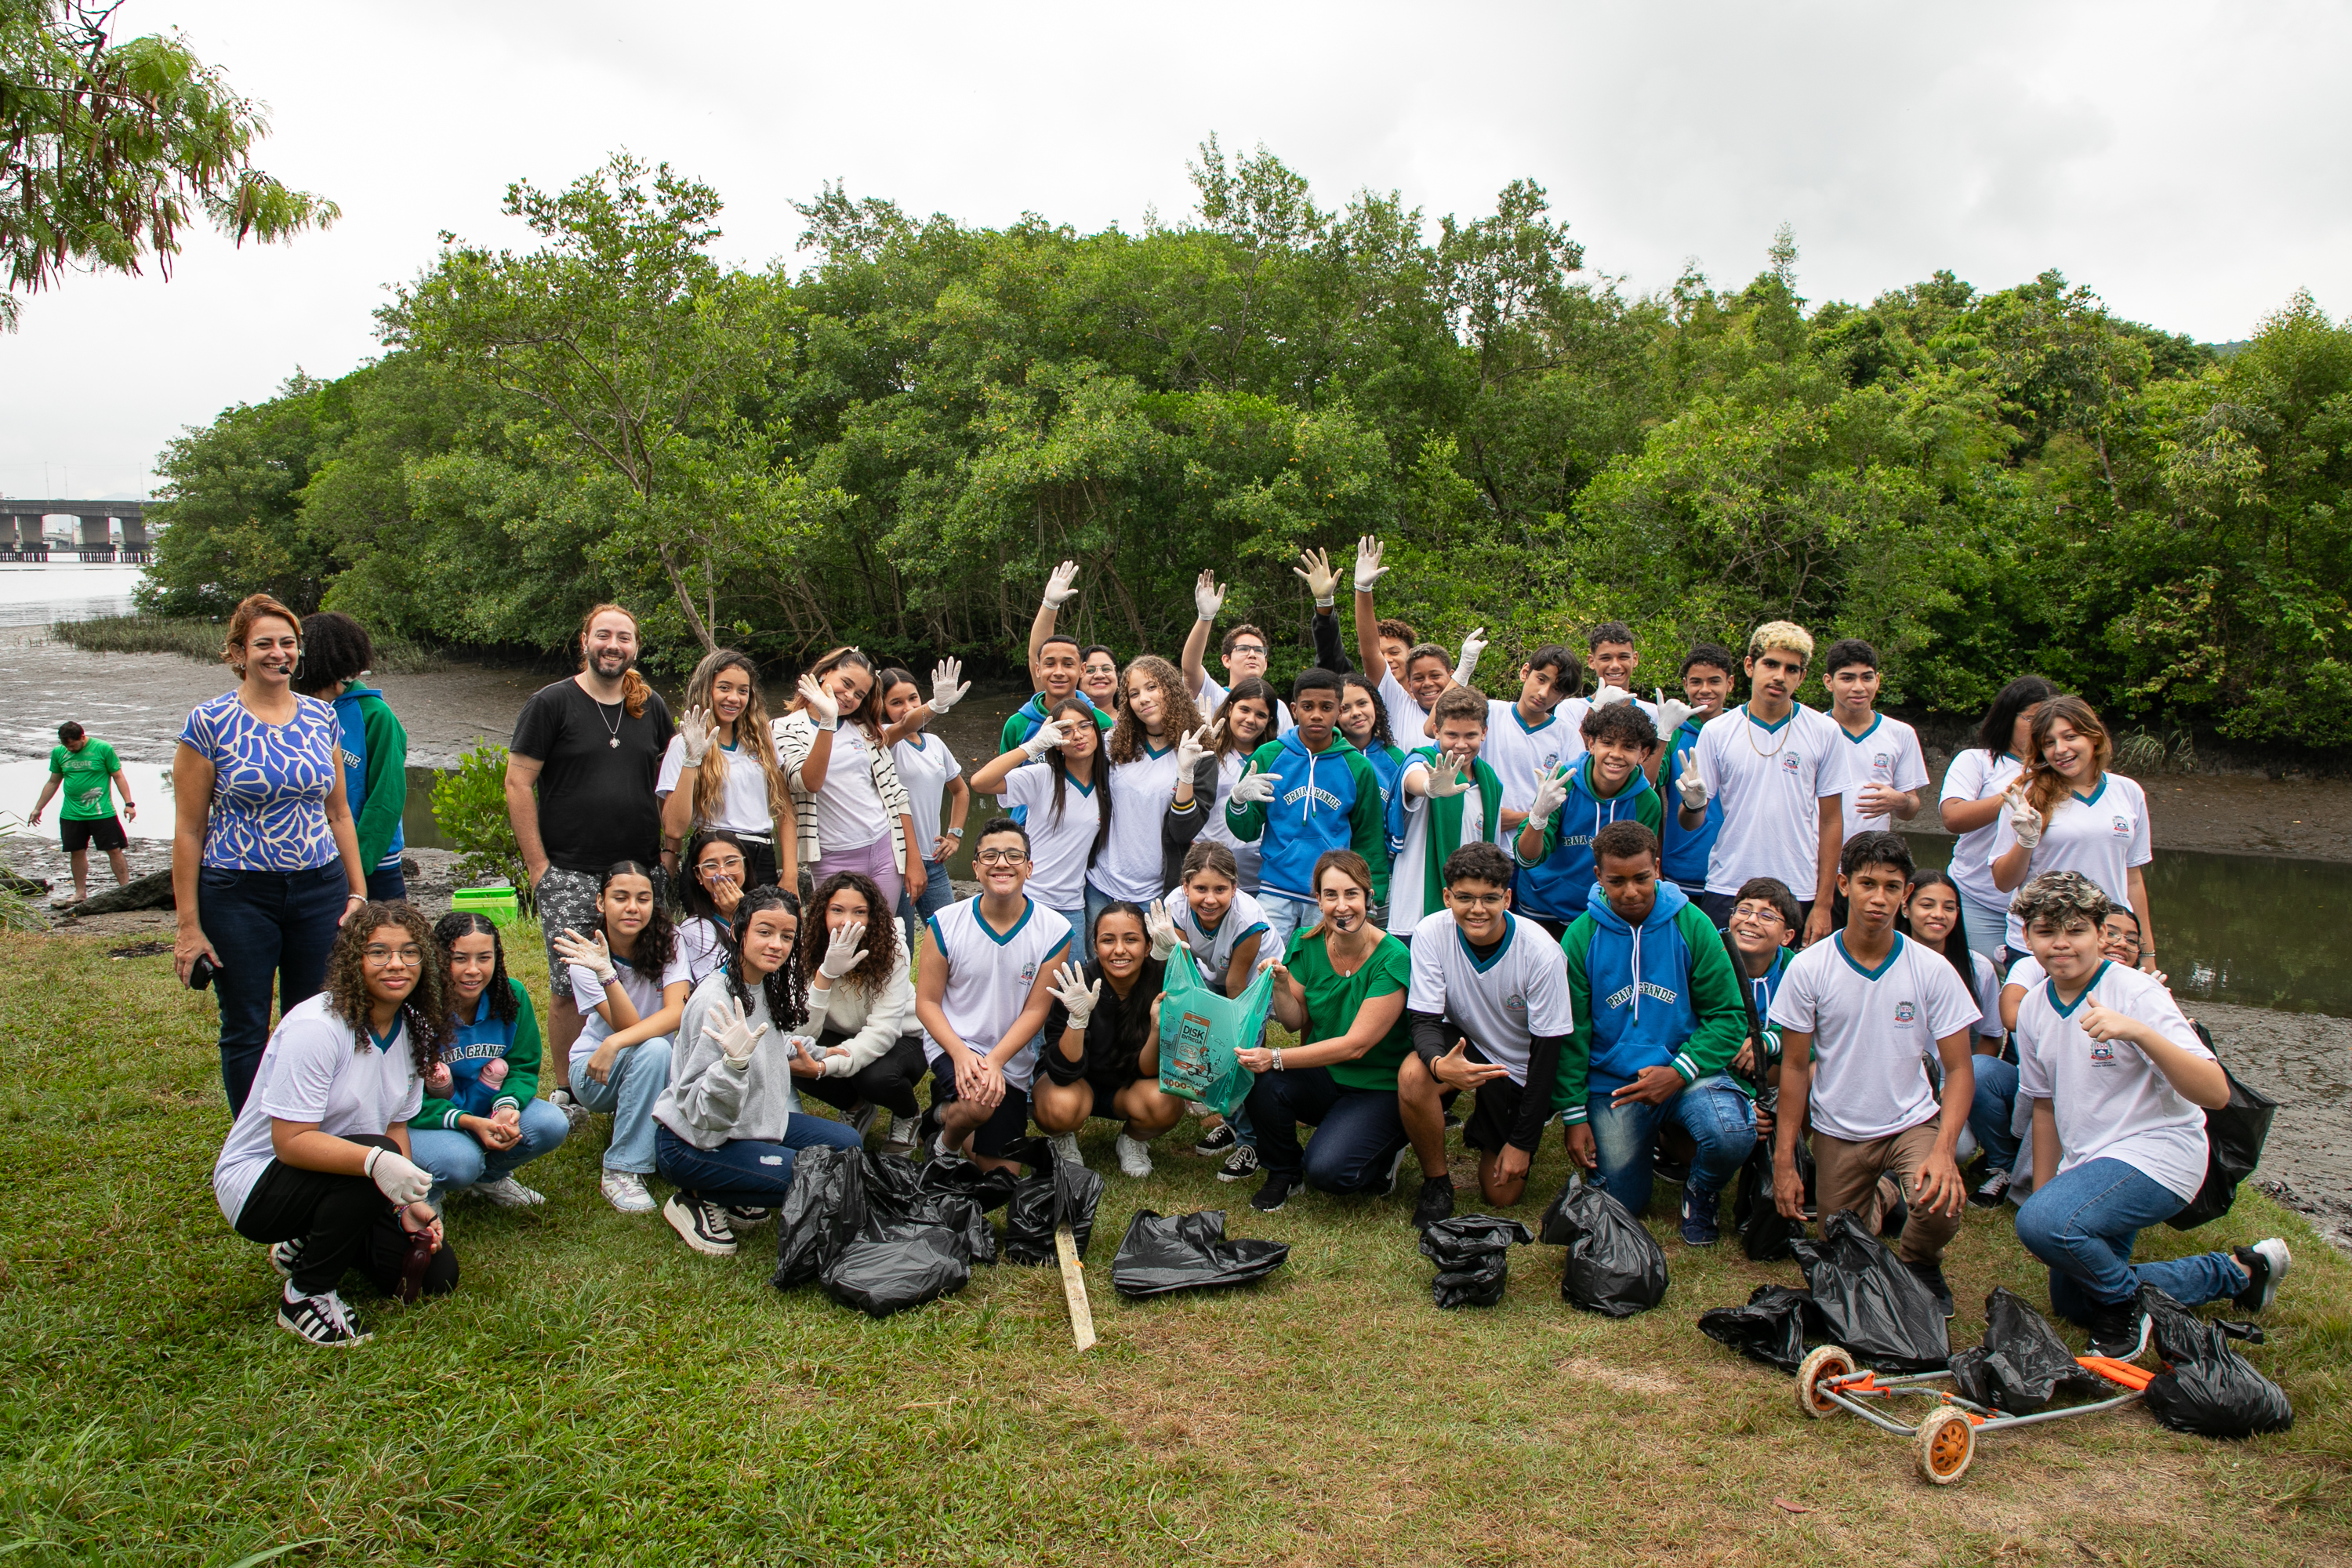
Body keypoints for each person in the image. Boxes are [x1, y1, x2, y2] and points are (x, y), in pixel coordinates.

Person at [2006, 870, 2291, 1355]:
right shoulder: (2033, 1008)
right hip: (2093, 1164)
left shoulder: (2137, 994)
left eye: (2075, 930)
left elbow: (2215, 1093)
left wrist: (2138, 1032)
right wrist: (2047, 1191)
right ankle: (2243, 1272)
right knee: (2073, 1301)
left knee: (2046, 1227)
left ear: (2100, 933)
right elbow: (2045, 1106)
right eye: (2046, 931)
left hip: (2161, 1155)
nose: (2061, 945)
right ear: (2027, 936)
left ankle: (2125, 1308)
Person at [209, 902, 457, 1347]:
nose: (396, 964)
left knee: (436, 1276)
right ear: (353, 959)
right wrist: (379, 1163)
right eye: (378, 952)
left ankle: (306, 1241)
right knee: (372, 1154)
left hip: (347, 1173)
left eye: (410, 952)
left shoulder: (413, 1025)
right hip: (261, 1185)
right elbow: (289, 1143)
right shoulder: (317, 1027)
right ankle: (305, 1294)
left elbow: (397, 1127)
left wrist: (405, 1206)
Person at [1766, 832, 1982, 1314]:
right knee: (1841, 1256)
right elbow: (1795, 1067)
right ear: (1843, 886)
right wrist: (1785, 1160)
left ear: (1906, 895)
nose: (1878, 898)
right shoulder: (1808, 968)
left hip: (1912, 1121)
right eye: (1867, 884)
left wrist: (1946, 1149)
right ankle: (1882, 1197)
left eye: (1891, 886)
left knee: (1940, 1201)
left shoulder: (1931, 968)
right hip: (1837, 1129)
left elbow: (1960, 1068)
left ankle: (1920, 1262)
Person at [174, 593, 372, 1115]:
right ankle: (253, 1146)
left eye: (288, 643)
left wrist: (357, 891)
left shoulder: (319, 717)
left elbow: (340, 813)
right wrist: (189, 925)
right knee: (246, 1025)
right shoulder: (209, 722)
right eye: (264, 644)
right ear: (238, 653)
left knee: (314, 1019)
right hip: (238, 893)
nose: (278, 653)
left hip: (318, 887)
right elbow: (190, 829)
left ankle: (305, 1129)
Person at [506, 603, 674, 1119]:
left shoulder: (651, 707)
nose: (614, 645)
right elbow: (518, 783)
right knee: (567, 984)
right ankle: (569, 1089)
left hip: (642, 871)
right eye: (604, 635)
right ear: (584, 641)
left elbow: (671, 786)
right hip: (572, 871)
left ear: (636, 648)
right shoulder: (551, 704)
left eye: (625, 637)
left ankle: (644, 1069)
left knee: (649, 972)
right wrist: (539, 868)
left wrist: (667, 855)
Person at [1554, 823, 1752, 1241]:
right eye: (1617, 881)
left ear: (1657, 868)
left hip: (1687, 1075)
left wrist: (1678, 1072)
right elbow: (1571, 1035)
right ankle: (1651, 1142)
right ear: (1598, 876)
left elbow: (1729, 1016)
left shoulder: (1692, 924)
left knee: (1731, 1133)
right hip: (1617, 1086)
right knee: (1623, 1205)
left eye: (1641, 878)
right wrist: (1574, 1115)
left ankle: (1701, 1193)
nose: (1630, 891)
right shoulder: (1580, 936)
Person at [652, 884, 868, 1256]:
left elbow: (773, 1040)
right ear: (738, 932)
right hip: (695, 1142)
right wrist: (733, 1067)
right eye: (764, 932)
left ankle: (741, 1186)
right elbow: (704, 1113)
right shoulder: (714, 1003)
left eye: (787, 936)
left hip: (749, 1127)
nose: (776, 945)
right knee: (808, 1178)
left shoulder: (764, 984)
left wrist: (820, 1050)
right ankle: (697, 1198)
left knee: (848, 1147)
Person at [1396, 843, 1576, 1227]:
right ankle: (1436, 1181)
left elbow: (1547, 1056)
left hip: (1516, 1066)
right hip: (1464, 1041)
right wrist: (1440, 1065)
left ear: (1508, 898)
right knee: (1413, 1074)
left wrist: (1523, 1144)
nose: (1477, 909)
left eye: (1490, 898)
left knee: (1501, 1196)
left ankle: (1490, 1123)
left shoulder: (1541, 952)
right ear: (1447, 897)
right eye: (1464, 898)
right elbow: (1425, 1020)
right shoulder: (1430, 932)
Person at [1242, 851, 1415, 1214]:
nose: (1342, 906)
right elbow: (1293, 1020)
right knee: (1262, 1080)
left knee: (1330, 1173)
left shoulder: (1393, 956)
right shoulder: (1307, 942)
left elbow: (1356, 1046)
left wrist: (1274, 1057)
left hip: (1377, 1085)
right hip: (1327, 1077)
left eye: (1351, 894)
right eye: (1331, 895)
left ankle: (1388, 1149)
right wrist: (1281, 986)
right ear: (1318, 899)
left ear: (1369, 897)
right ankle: (1284, 1172)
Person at [1677, 622, 1853, 942]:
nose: (1779, 676)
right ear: (1749, 666)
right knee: (1725, 985)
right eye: (1771, 664)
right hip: (1728, 884)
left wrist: (1825, 902)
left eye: (1791, 669)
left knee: (1791, 986)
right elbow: (1691, 823)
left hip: (1798, 886)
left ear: (1801, 677)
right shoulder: (1717, 732)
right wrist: (1693, 803)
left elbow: (1831, 820)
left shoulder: (1824, 731)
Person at [1976, 898, 2158, 1207]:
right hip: (2036, 1084)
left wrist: (2141, 1028)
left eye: (2131, 939)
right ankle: (2010, 1170)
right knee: (2004, 1079)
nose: (2120, 943)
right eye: (2113, 933)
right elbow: (2012, 1018)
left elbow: (2207, 1086)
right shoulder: (2041, 975)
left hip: (2120, 1115)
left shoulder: (2142, 990)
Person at [913, 818, 1070, 1173]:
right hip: (955, 1044)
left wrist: (996, 1061)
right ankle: (944, 1146)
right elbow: (926, 1003)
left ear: (1029, 867)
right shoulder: (945, 922)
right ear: (976, 867)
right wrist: (961, 1053)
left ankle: (943, 1112)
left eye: (1014, 855)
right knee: (979, 1105)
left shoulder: (1055, 930)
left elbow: (1035, 1012)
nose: (1002, 863)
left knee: (1002, 1176)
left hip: (1009, 1058)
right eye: (991, 856)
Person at [553, 861, 690, 1214]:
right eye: (621, 897)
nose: (633, 907)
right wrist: (607, 973)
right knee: (655, 1047)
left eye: (643, 898)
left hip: (629, 1055)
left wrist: (614, 1043)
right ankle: (621, 1169)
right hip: (595, 1071)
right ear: (601, 902)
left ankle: (641, 1121)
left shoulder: (670, 942)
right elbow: (626, 1027)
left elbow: (676, 1013)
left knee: (657, 1049)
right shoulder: (585, 956)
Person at [1224, 668, 1391, 955]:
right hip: (1276, 888)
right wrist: (1238, 801)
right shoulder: (1269, 756)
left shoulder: (1357, 767)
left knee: (1324, 974)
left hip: (1331, 894)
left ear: (1338, 710)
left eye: (1326, 708)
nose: (1316, 715)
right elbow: (1247, 829)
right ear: (1294, 709)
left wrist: (1370, 897)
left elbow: (1369, 839)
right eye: (1308, 707)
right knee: (1265, 971)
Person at [408, 912, 569, 1207]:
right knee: (459, 1164)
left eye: (484, 957)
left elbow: (522, 1065)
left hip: (487, 1108)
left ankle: (490, 1178)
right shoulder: (417, 1005)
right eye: (459, 958)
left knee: (551, 1123)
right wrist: (468, 1122)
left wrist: (506, 1108)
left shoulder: (511, 995)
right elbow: (407, 1095)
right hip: (429, 1119)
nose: (473, 970)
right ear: (438, 958)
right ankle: (423, 1195)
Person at [1991, 695, 2156, 971]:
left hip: (2107, 944)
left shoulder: (2128, 791)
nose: (2060, 750)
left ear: (2094, 737)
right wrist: (2026, 841)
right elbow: (2004, 882)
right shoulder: (2024, 795)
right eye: (2048, 743)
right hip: (2044, 944)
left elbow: (2134, 880)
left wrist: (2146, 953)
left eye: (2070, 737)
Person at [1036, 902, 1189, 1176]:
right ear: (1095, 946)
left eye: (1131, 939)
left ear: (1147, 945)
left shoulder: (1161, 980)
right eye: (1108, 940)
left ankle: (1132, 1139)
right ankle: (1063, 1138)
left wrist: (1157, 1026)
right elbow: (1062, 1073)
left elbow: (1149, 1070)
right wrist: (1077, 1021)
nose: (1119, 950)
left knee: (1165, 1102)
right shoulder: (1078, 984)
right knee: (1056, 1107)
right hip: (1077, 1085)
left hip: (1130, 1088)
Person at [775, 645, 921, 917]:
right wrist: (827, 723)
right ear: (825, 673)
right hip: (833, 856)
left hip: (884, 848)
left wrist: (913, 859)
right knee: (837, 939)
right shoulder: (785, 728)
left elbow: (896, 794)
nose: (850, 696)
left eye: (859, 694)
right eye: (846, 683)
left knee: (881, 933)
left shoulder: (864, 728)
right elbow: (807, 782)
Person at [793, 871, 927, 1155]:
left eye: (860, 912)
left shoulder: (894, 952)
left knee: (875, 1078)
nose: (848, 921)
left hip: (903, 1038)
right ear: (822, 913)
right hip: (841, 1034)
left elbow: (883, 1031)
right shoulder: (806, 950)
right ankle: (856, 1108)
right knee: (793, 1055)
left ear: (873, 917)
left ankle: (908, 1114)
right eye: (837, 910)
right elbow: (800, 1032)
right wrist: (826, 974)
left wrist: (823, 1067)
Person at [1511, 699, 1664, 937]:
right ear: (1591, 743)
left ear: (1643, 754)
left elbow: (1635, 870)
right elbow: (1526, 859)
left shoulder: (1646, 801)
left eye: (1629, 746)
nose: (1616, 754)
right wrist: (1537, 817)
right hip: (1541, 907)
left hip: (1603, 913)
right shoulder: (1564, 781)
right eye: (1607, 743)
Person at [1164, 840, 1271, 1182]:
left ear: (1235, 888)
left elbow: (1237, 986)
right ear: (1185, 887)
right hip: (1208, 974)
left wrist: (1230, 1037)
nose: (1210, 899)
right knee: (1207, 1052)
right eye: (1200, 888)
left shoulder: (1248, 920)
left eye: (1220, 889)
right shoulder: (1174, 907)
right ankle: (1231, 1123)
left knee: (1240, 1058)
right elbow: (1188, 976)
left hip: (1251, 982)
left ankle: (1253, 1142)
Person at [1087, 655, 1220, 926]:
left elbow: (1183, 832)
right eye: (1133, 694)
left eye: (1151, 687)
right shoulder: (1112, 744)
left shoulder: (1200, 752)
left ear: (1171, 690)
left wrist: (1185, 776)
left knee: (1153, 966)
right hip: (1101, 885)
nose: (1143, 699)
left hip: (1158, 895)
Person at [657, 648, 797, 895]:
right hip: (714, 856)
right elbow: (674, 829)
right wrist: (692, 760)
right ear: (706, 689)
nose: (734, 698)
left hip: (761, 856)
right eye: (724, 688)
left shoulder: (761, 741)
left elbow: (784, 810)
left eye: (742, 691)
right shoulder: (685, 743)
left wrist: (791, 874)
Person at [1938, 676, 2056, 966]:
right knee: (1973, 982)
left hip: (2038, 908)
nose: (2040, 728)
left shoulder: (2062, 771)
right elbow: (1953, 817)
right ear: (2007, 717)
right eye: (2032, 718)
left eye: (2048, 719)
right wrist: (2017, 794)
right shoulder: (1978, 761)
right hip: (1976, 898)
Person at [968, 695, 1108, 938]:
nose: (1078, 735)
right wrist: (1032, 747)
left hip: (1072, 905)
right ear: (1055, 741)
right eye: (1066, 730)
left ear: (1096, 730)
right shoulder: (1043, 776)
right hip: (1029, 900)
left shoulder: (1107, 782)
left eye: (1085, 725)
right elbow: (980, 782)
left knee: (1072, 974)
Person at [295, 611, 411, 901]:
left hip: (373, 865)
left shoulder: (376, 716)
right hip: (314, 862)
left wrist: (356, 866)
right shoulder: (292, 713)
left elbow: (387, 798)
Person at [1388, 687, 1511, 937]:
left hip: (1468, 915)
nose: (1461, 744)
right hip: (1414, 914)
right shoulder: (1423, 761)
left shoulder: (1490, 782)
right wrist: (1430, 787)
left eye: (1471, 735)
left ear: (1484, 733)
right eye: (1452, 734)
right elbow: (1413, 779)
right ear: (1436, 731)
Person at [1349, 535, 1484, 743]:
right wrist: (1363, 590)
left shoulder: (1473, 713)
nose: (1427, 684)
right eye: (1419, 678)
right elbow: (1370, 652)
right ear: (1410, 684)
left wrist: (1464, 671)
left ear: (1451, 675)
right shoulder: (1398, 705)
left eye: (1435, 675)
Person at [877, 663, 971, 927]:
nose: (907, 707)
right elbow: (906, 724)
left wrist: (955, 835)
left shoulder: (935, 745)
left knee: (950, 937)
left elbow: (961, 791)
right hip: (896, 862)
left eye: (913, 698)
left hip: (934, 860)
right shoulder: (883, 740)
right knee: (900, 945)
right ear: (882, 706)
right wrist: (935, 707)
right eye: (896, 702)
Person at [1820, 638, 1927, 842]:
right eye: (1847, 678)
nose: (1859, 687)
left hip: (1871, 858)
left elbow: (1910, 810)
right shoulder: (1814, 731)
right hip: (1815, 855)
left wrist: (1901, 801)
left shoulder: (1901, 733)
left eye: (1867, 678)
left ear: (1877, 680)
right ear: (1828, 682)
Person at [1658, 644, 1737, 901]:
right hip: (1680, 868)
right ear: (1685, 685)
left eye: (1714, 681)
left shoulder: (1742, 732)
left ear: (1730, 683)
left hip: (1733, 870)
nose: (1705, 690)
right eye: (1696, 682)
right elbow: (1647, 785)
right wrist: (1663, 733)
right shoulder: (1675, 734)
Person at [1901, 869, 2005, 1055]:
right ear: (1905, 908)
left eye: (1949, 908)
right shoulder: (1886, 961)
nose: (1938, 914)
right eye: (1927, 905)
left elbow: (1992, 1036)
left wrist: (1966, 1079)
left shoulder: (1979, 968)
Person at [29, 720, 134, 905]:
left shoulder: (103, 748)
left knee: (114, 850)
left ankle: (126, 890)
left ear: (82, 737)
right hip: (71, 814)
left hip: (102, 813)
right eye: (65, 745)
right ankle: (80, 893)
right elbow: (53, 781)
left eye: (72, 745)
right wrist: (38, 808)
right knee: (76, 852)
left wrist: (129, 803)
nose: (68, 749)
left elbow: (118, 776)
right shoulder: (59, 753)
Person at [1181, 570, 1295, 734]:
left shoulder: (1278, 708)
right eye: (1243, 649)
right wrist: (1205, 617)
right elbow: (1190, 669)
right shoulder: (1213, 695)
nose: (1252, 654)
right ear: (1226, 660)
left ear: (1266, 664)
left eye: (1259, 650)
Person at [1479, 645, 1588, 815]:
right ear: (1525, 672)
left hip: (1538, 837)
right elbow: (1434, 729)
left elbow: (1574, 797)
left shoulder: (1568, 736)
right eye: (1541, 679)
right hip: (1480, 832)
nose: (1544, 693)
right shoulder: (1489, 712)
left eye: (1556, 689)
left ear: (1563, 697)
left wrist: (1524, 818)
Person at [1197, 677, 1279, 893]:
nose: (1251, 720)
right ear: (1230, 708)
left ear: (1270, 720)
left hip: (1260, 877)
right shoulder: (1208, 751)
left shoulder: (1276, 759)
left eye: (1261, 715)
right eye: (1244, 709)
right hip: (1210, 872)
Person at [675, 828, 755, 985]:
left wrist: (744, 911)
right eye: (711, 866)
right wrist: (740, 914)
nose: (723, 873)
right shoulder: (694, 929)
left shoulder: (770, 910)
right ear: (698, 875)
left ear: (745, 866)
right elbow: (725, 984)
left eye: (731, 862)